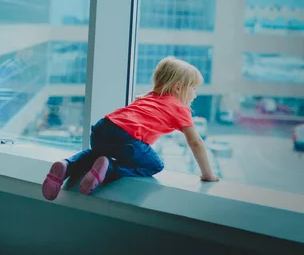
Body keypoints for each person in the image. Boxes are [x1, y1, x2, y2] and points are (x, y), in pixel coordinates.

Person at [41, 56, 219, 201]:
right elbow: (195, 143)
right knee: (155, 165)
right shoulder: (180, 108)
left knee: (94, 153)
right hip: (126, 138)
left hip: (103, 127)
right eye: (194, 89)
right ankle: (109, 167)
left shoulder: (148, 97)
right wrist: (207, 174)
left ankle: (66, 165)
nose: (195, 94)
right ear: (178, 87)